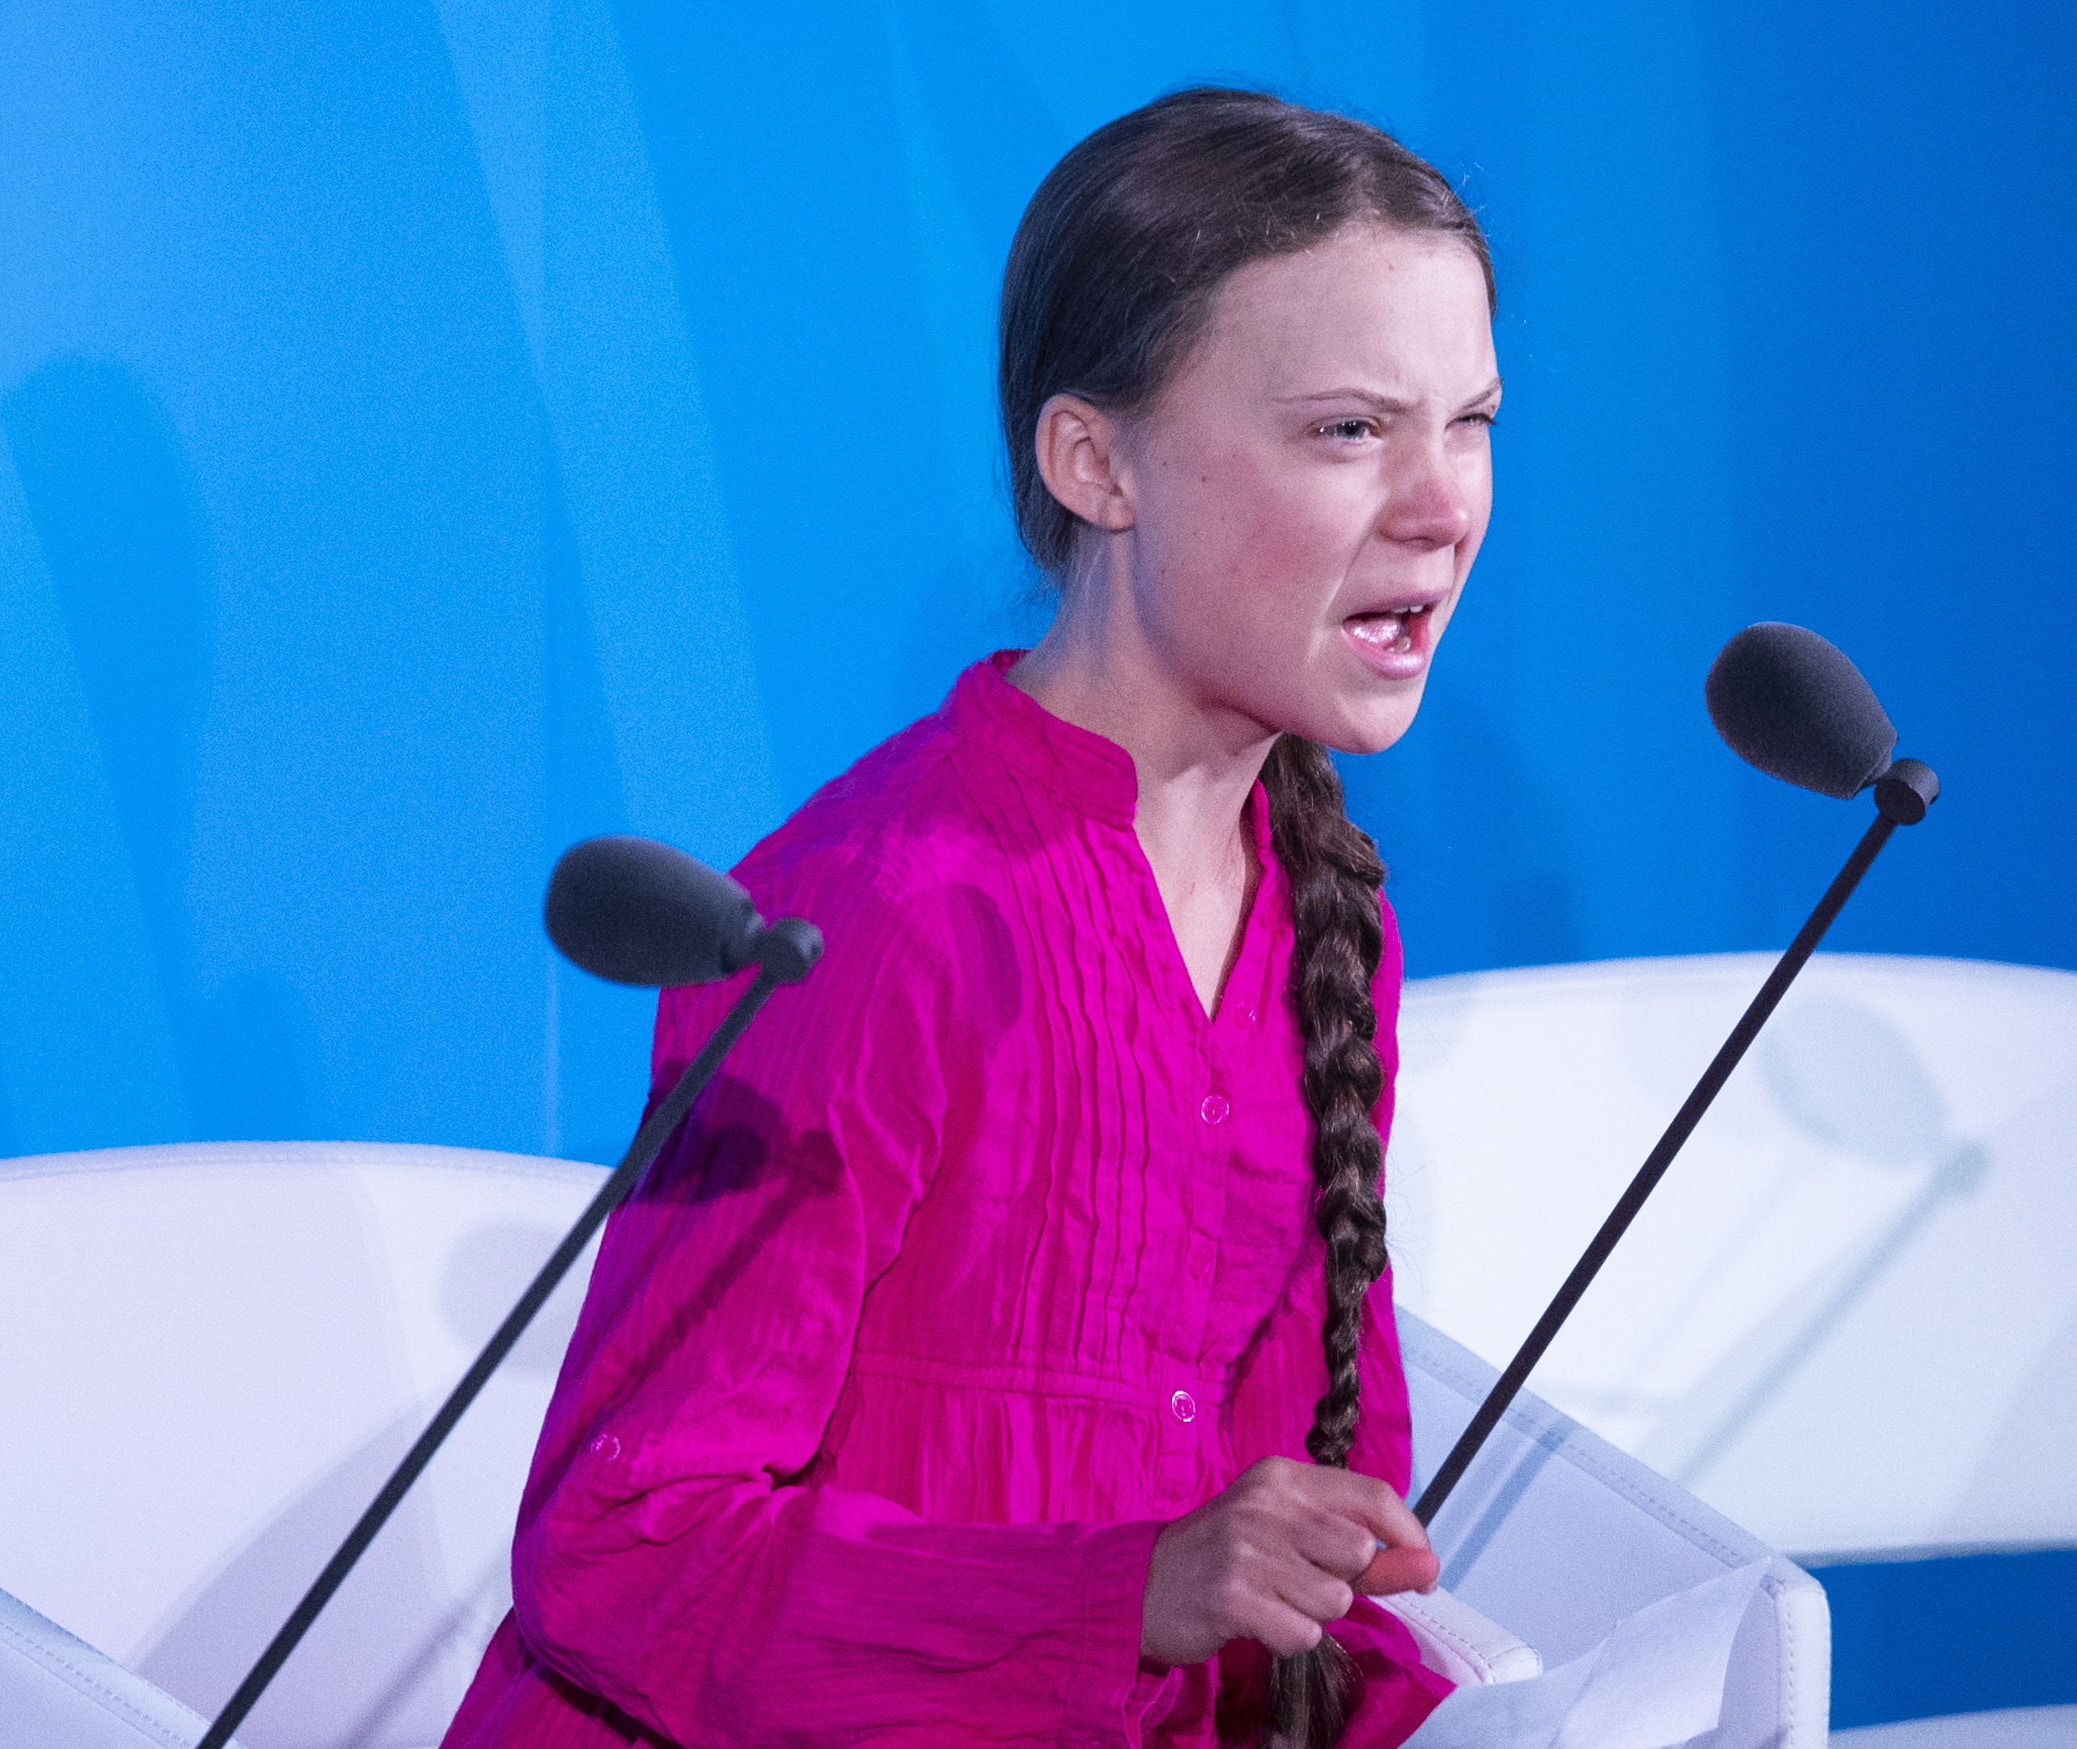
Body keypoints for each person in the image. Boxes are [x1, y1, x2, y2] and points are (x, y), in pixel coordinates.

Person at [440, 85, 1500, 1749]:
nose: (1442, 503)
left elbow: (1297, 1581)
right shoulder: (879, 915)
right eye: (1351, 430)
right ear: (1096, 461)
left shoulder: (1323, 919)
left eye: (1474, 422)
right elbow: (618, 1551)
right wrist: (1130, 1588)